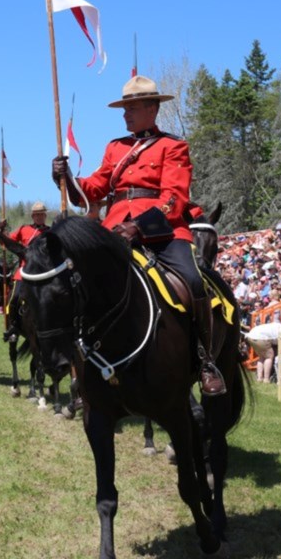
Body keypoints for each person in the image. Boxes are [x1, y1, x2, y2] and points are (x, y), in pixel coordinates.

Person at [51, 75, 225, 395]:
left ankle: (206, 360)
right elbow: (93, 190)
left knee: (193, 281)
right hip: (114, 229)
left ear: (153, 109)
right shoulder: (115, 147)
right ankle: (73, 351)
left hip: (164, 232)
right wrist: (66, 179)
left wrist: (140, 226)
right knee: (73, 280)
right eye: (124, 108)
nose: (126, 114)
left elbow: (174, 199)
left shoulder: (173, 146)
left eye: (132, 107)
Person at [0, 202, 49, 344]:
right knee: (14, 298)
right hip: (25, 270)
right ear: (32, 216)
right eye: (36, 214)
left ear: (45, 216)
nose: (39, 217)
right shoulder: (23, 229)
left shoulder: (50, 232)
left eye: (41, 214)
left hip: (44, 271)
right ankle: (13, 327)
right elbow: (8, 242)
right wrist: (1, 231)